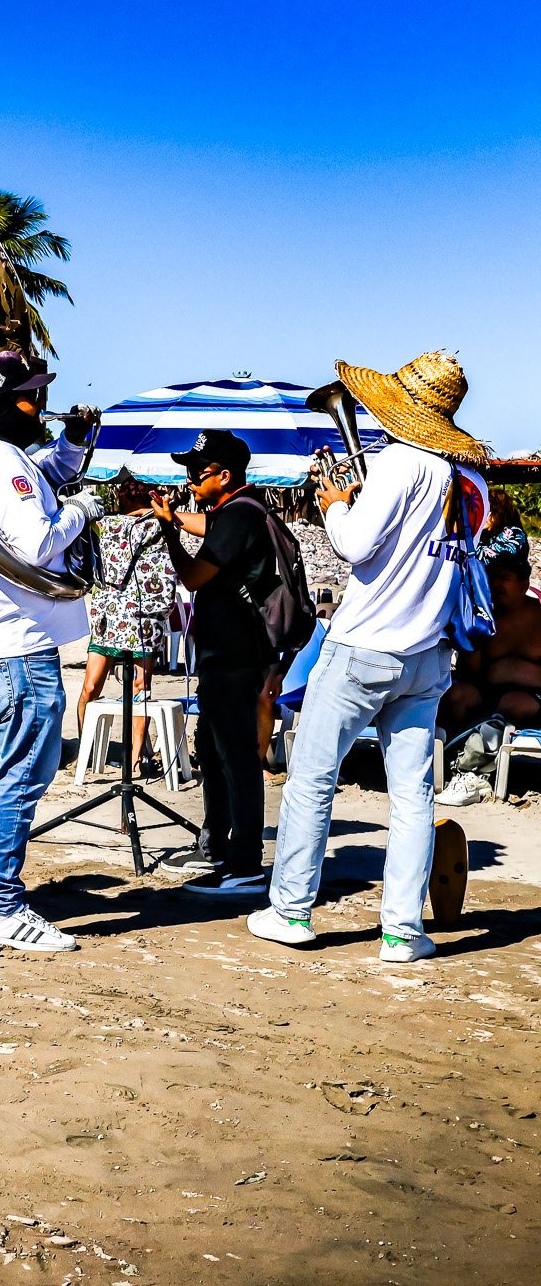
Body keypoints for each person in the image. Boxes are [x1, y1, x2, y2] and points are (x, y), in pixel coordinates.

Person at [247, 351, 489, 963]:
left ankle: (291, 912)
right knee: (412, 797)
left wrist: (334, 501)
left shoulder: (401, 462)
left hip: (363, 648)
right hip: (428, 655)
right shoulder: (472, 482)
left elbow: (356, 547)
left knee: (311, 779)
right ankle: (403, 933)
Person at [0, 349, 101, 953]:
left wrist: (73, 447)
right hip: (16, 650)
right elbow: (33, 543)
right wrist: (84, 511)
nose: (42, 404)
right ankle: (3, 909)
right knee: (18, 778)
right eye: (32, 395)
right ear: (8, 405)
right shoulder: (5, 462)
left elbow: (35, 483)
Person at [151, 431, 286, 898]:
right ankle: (221, 851)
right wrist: (176, 520)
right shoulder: (238, 511)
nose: (189, 479)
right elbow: (206, 530)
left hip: (235, 656)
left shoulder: (238, 516)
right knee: (213, 752)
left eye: (197, 472)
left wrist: (168, 530)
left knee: (237, 761)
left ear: (224, 476)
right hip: (229, 654)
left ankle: (245, 865)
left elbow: (192, 577)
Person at [76, 475, 174, 776]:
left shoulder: (107, 526)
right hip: (139, 617)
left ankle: (91, 753)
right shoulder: (162, 524)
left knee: (91, 687)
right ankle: (128, 760)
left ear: (127, 496)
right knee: (140, 689)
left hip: (114, 615)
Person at [437, 556, 541, 806]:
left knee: (513, 701)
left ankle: (474, 770)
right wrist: (476, 633)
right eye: (492, 577)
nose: (495, 584)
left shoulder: (538, 618)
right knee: (458, 695)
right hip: (486, 692)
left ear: (524, 582)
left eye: (504, 578)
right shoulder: (484, 616)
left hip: (530, 699)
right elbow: (469, 671)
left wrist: (518, 671)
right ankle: (453, 761)